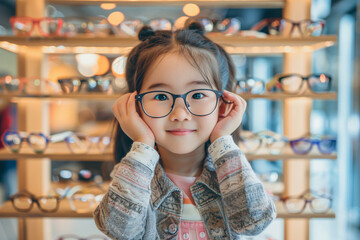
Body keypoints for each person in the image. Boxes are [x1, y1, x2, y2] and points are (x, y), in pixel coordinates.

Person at [94, 22, 276, 240]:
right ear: (134, 105)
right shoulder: (133, 178)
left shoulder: (234, 177)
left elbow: (254, 222)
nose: (180, 114)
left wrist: (222, 140)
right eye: (161, 96)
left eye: (198, 95)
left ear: (223, 102)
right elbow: (117, 230)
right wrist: (142, 143)